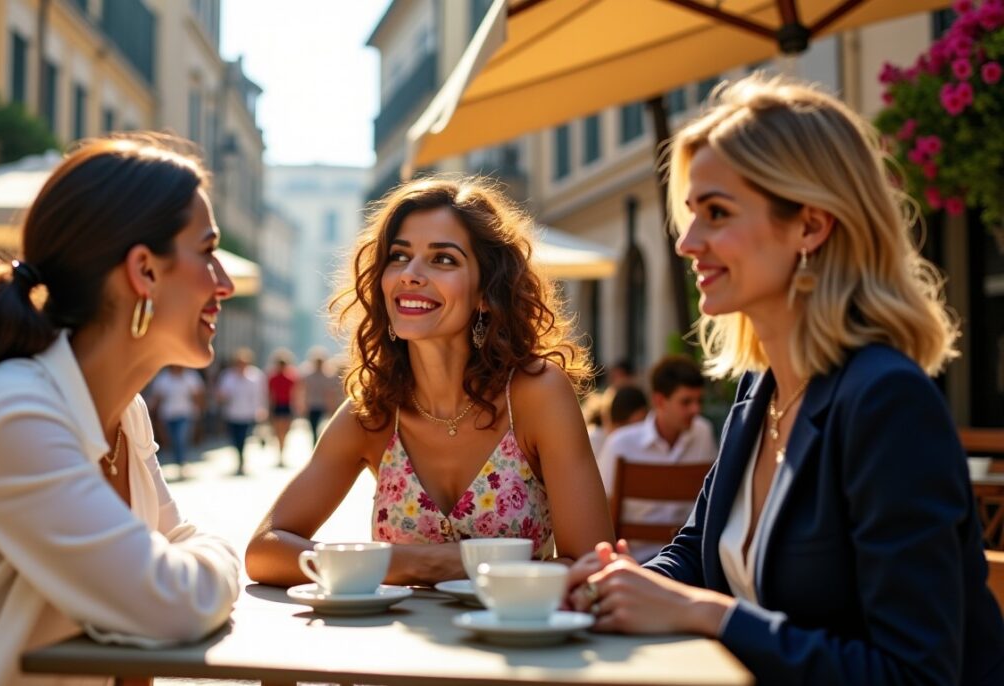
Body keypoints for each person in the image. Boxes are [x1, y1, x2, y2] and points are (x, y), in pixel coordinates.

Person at [565, 75, 1004, 684]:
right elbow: (698, 551)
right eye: (691, 214)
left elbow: (917, 672)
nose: (689, 243)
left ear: (811, 226)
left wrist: (706, 615)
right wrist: (622, 582)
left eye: (717, 213)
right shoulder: (760, 388)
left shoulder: (886, 400)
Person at [0, 134, 243, 685]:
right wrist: (220, 561)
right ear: (144, 270)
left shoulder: (125, 411)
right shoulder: (17, 413)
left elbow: (176, 549)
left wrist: (198, 563)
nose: (225, 284)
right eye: (208, 251)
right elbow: (171, 604)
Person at [246, 177, 614, 588]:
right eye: (399, 256)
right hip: (401, 649)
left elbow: (593, 564)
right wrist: (422, 563)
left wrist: (381, 565)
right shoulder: (373, 411)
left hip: (521, 643)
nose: (411, 274)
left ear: (485, 292)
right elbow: (264, 551)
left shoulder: (536, 394)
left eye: (443, 260)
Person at [596, 355, 717, 561]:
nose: (696, 409)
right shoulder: (621, 443)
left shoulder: (703, 433)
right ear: (659, 400)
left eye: (699, 401)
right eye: (686, 402)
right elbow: (599, 510)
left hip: (689, 559)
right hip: (634, 559)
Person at [216, 347, 266, 476]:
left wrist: (262, 410)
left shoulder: (255, 376)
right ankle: (239, 458)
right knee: (234, 439)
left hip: (248, 413)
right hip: (232, 413)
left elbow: (260, 395)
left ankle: (241, 460)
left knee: (243, 438)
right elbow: (222, 394)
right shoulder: (228, 377)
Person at [149, 365, 204, 478]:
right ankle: (179, 461)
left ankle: (181, 463)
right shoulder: (163, 378)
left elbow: (198, 396)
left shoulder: (190, 377)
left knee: (180, 439)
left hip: (185, 414)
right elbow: (157, 398)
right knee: (173, 440)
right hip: (168, 415)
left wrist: (199, 413)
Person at [300, 346, 340, 444]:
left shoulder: (328, 376)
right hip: (312, 404)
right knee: (313, 428)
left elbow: (330, 393)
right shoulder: (308, 376)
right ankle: (315, 444)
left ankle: (321, 444)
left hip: (323, 405)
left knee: (323, 427)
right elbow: (304, 391)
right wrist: (303, 404)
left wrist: (331, 406)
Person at [266, 349, 298, 468]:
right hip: (277, 405)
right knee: (278, 431)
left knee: (285, 432)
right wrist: (269, 409)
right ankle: (280, 454)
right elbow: (270, 394)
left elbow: (295, 393)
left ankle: (282, 453)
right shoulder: (272, 377)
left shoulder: (291, 377)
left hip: (287, 405)